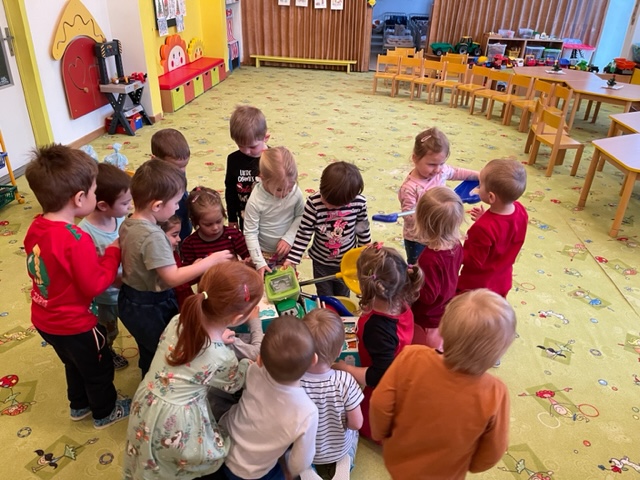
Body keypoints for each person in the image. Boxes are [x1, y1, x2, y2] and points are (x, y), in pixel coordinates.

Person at [123, 263, 264, 480]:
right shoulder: (221, 356)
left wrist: (218, 337)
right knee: (193, 458)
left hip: (147, 402)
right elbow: (235, 383)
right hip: (176, 420)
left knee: (149, 454)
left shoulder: (179, 320)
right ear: (237, 319)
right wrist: (249, 363)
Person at [23, 144, 130, 429]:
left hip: (44, 319)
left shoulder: (36, 226)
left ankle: (79, 405)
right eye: (94, 191)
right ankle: (105, 412)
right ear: (80, 198)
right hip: (76, 324)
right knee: (98, 368)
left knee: (74, 363)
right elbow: (95, 284)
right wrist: (113, 252)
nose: (95, 196)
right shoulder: (76, 239)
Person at [369, 289, 516, 480]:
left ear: (443, 328)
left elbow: (379, 404)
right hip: (447, 473)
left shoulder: (412, 356)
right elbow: (494, 450)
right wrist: (468, 464)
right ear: (499, 352)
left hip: (399, 461)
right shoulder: (496, 393)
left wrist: (381, 434)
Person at [118, 159, 233, 377]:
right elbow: (171, 278)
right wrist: (209, 262)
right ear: (157, 206)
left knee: (149, 350)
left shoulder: (128, 223)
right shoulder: (154, 236)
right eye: (176, 203)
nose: (178, 208)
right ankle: (159, 384)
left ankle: (147, 375)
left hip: (131, 300)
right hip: (152, 306)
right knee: (166, 349)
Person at [334, 243, 423, 439]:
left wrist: (346, 369)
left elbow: (379, 375)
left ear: (366, 286)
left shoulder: (377, 328)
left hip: (383, 386)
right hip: (398, 367)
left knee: (368, 425)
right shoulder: (400, 303)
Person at [220, 316, 319, 480]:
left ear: (259, 360)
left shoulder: (253, 370)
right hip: (253, 472)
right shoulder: (307, 412)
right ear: (313, 360)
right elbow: (301, 462)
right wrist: (289, 471)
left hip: (223, 446)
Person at [284, 161, 371, 297]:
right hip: (321, 261)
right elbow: (304, 233)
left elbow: (362, 227)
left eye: (333, 205)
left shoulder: (359, 203)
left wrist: (365, 250)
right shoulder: (314, 204)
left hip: (347, 262)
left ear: (349, 200)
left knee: (342, 296)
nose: (328, 206)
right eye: (325, 199)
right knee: (325, 296)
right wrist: (293, 259)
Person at [77, 163, 132, 370]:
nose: (130, 207)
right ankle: (107, 351)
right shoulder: (84, 234)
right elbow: (89, 272)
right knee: (109, 330)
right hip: (105, 297)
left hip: (128, 288)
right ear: (102, 205)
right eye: (125, 203)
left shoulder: (119, 218)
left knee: (135, 322)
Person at [398, 127, 478, 264]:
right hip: (419, 240)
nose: (437, 169)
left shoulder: (441, 171)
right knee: (419, 268)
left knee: (440, 263)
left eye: (442, 163)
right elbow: (409, 218)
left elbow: (457, 172)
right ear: (415, 158)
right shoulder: (409, 188)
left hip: (441, 232)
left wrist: (480, 175)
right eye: (431, 164)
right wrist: (435, 214)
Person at [299, 309, 364, 480]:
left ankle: (306, 470)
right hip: (338, 448)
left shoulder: (292, 381)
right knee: (354, 435)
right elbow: (356, 423)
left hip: (305, 450)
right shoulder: (345, 381)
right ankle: (345, 462)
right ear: (339, 351)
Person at [457, 158, 528, 298]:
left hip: (477, 286)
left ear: (491, 197)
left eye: (480, 184)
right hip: (502, 280)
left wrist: (454, 246)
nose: (478, 187)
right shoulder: (520, 210)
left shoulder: (482, 228)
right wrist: (487, 219)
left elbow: (473, 261)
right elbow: (506, 233)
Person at [410, 187, 465, 349]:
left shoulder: (429, 258)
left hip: (427, 319)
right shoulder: (457, 244)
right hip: (444, 309)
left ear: (423, 222)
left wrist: (412, 280)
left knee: (424, 353)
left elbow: (428, 296)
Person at [244, 146, 305, 277]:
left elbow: (301, 215)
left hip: (287, 250)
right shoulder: (255, 201)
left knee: (289, 282)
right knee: (265, 284)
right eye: (279, 189)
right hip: (263, 253)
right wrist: (259, 262)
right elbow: (250, 233)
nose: (285, 193)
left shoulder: (295, 192)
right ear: (262, 178)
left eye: (290, 187)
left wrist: (289, 238)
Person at [181, 186, 251, 268]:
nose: (215, 228)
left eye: (219, 221)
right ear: (196, 221)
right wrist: (196, 266)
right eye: (208, 224)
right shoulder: (190, 244)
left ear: (223, 214)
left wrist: (248, 262)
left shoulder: (234, 235)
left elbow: (248, 257)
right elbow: (187, 272)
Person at [225, 105, 269, 230]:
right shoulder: (233, 160)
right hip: (245, 217)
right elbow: (230, 191)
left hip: (268, 219)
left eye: (252, 146)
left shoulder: (273, 159)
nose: (246, 151)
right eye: (240, 146)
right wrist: (232, 218)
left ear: (265, 137)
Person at [151, 128, 193, 240]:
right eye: (176, 167)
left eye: (184, 165)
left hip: (183, 225)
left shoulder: (178, 172)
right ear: (155, 160)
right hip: (166, 233)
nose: (182, 171)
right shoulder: (152, 184)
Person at [159, 215, 194, 308]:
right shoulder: (163, 261)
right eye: (174, 235)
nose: (179, 239)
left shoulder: (174, 253)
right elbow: (178, 283)